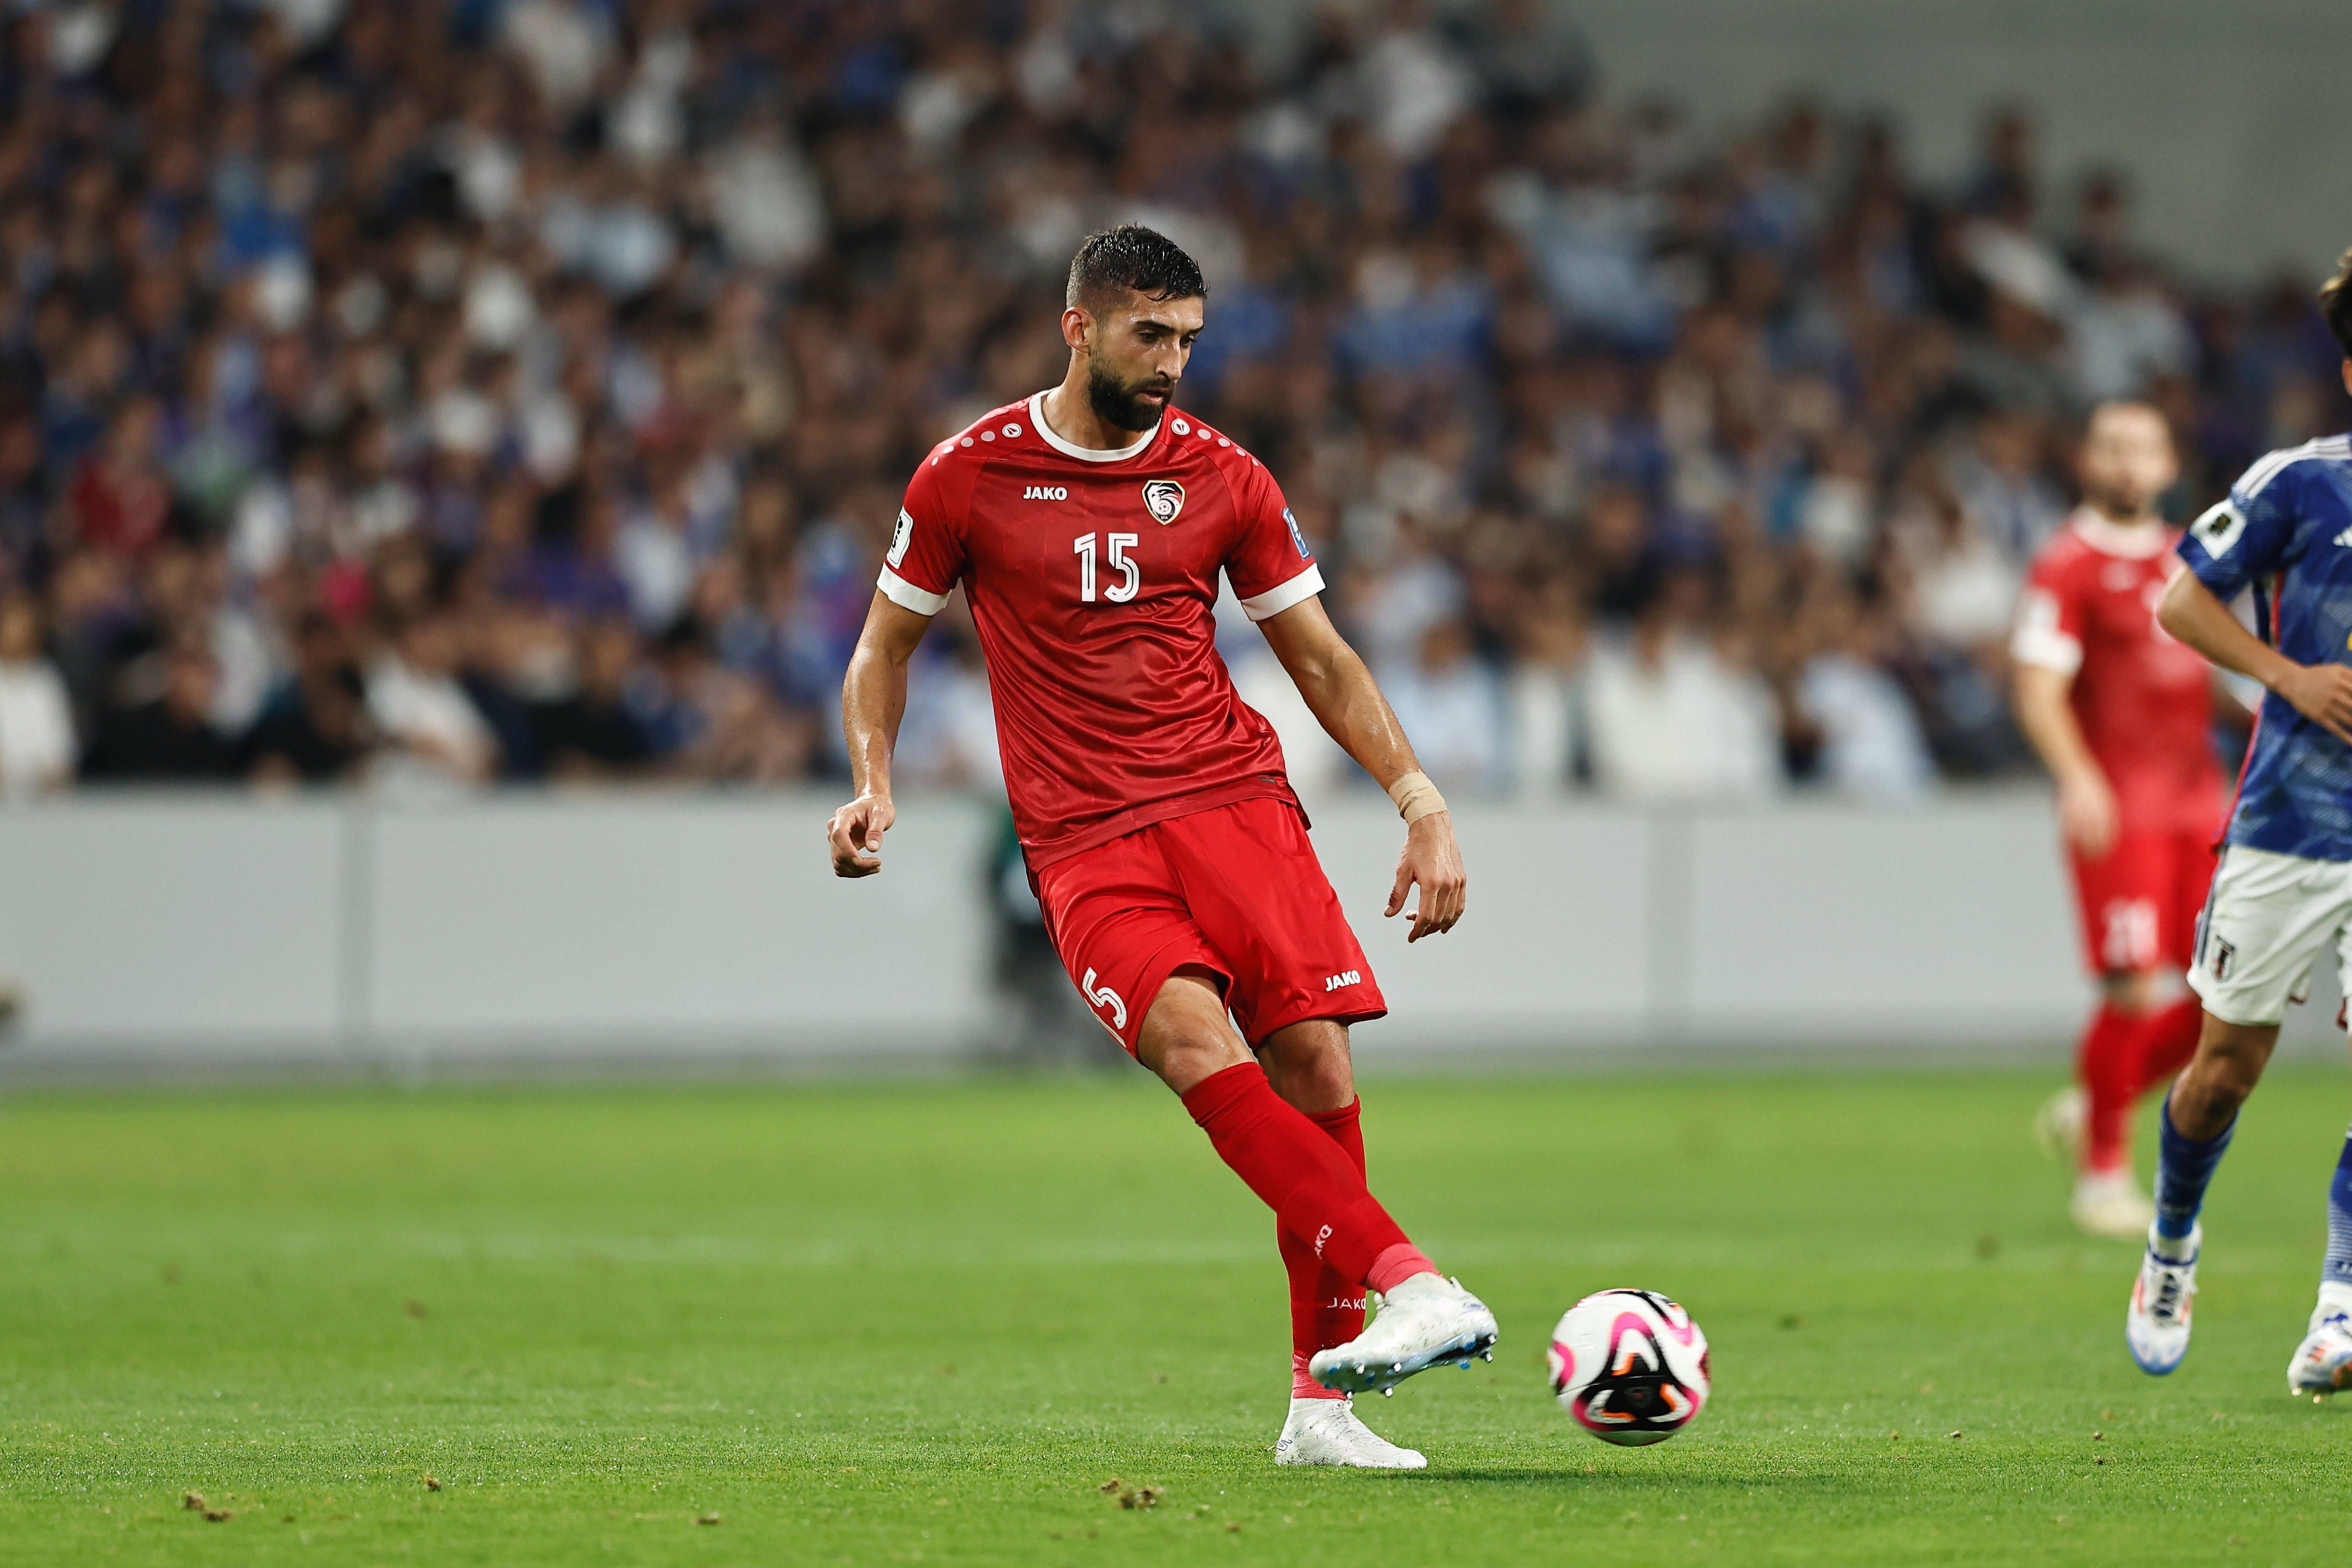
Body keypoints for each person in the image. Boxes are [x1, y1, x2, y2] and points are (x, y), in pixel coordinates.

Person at [827, 226, 1495, 1469]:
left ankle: (1319, 1412)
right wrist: (872, 781)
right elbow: (882, 647)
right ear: (1075, 326)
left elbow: (1320, 658)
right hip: (1083, 838)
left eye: (1188, 336)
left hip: (1232, 802)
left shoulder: (1225, 476)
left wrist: (1418, 797)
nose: (1173, 360)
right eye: (1150, 334)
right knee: (1194, 1042)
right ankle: (1410, 1277)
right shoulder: (966, 474)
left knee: (1315, 1071)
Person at [2122, 249, 2352, 1391]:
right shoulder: (2297, 483)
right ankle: (2170, 1243)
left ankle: (2340, 1305)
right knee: (2225, 1067)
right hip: (2287, 829)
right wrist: (2287, 676)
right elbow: (2177, 599)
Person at [2011, 402, 2227, 1237]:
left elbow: (2216, 673)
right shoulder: (2065, 564)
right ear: (2085, 461)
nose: (2126, 464)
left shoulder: (2190, 558)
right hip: (2121, 804)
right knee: (2132, 986)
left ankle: (2097, 1098)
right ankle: (2102, 1176)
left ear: (2169, 464)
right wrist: (2078, 777)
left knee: (2224, 997)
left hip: (2197, 800)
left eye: (2142, 449)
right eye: (2111, 448)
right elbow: (2037, 688)